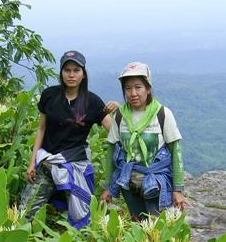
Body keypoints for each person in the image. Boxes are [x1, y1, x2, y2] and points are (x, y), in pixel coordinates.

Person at [20, 50, 115, 228]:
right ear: (61, 72)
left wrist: (121, 109)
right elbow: (41, 129)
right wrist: (32, 163)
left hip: (74, 168)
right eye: (67, 70)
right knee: (25, 214)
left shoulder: (92, 102)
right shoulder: (49, 95)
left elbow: (115, 132)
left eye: (76, 70)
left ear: (83, 74)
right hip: (46, 164)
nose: (71, 75)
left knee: (81, 218)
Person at [100, 62, 187, 220]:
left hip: (156, 182)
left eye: (138, 87)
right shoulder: (120, 116)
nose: (133, 93)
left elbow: (175, 152)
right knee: (138, 223)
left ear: (148, 88)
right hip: (128, 181)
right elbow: (112, 151)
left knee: (156, 227)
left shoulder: (162, 114)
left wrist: (178, 190)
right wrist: (108, 187)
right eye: (128, 88)